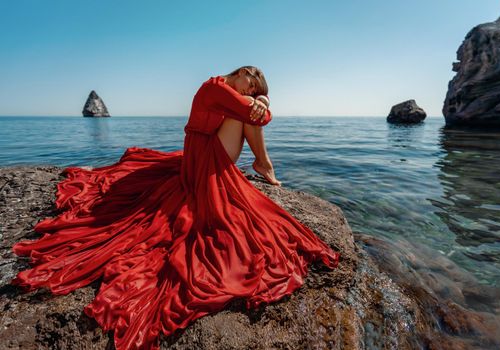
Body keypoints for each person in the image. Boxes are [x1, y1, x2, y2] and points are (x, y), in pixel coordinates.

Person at [11, 65, 341, 350]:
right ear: (242, 72)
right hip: (203, 158)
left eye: (254, 89)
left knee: (247, 112)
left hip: (199, 152)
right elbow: (263, 117)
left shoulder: (219, 88)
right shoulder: (218, 88)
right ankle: (264, 164)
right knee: (248, 116)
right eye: (251, 84)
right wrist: (262, 103)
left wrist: (258, 101)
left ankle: (262, 163)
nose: (250, 90)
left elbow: (255, 110)